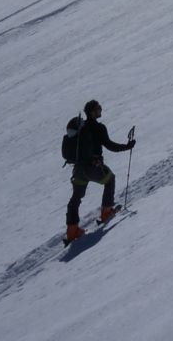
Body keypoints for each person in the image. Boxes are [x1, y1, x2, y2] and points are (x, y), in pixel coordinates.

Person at [65, 100, 134, 241]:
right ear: (92, 112)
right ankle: (106, 212)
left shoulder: (81, 128)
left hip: (78, 170)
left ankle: (72, 231)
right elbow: (110, 145)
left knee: (76, 198)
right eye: (98, 108)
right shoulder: (99, 127)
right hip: (93, 167)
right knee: (110, 179)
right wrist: (127, 147)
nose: (100, 110)